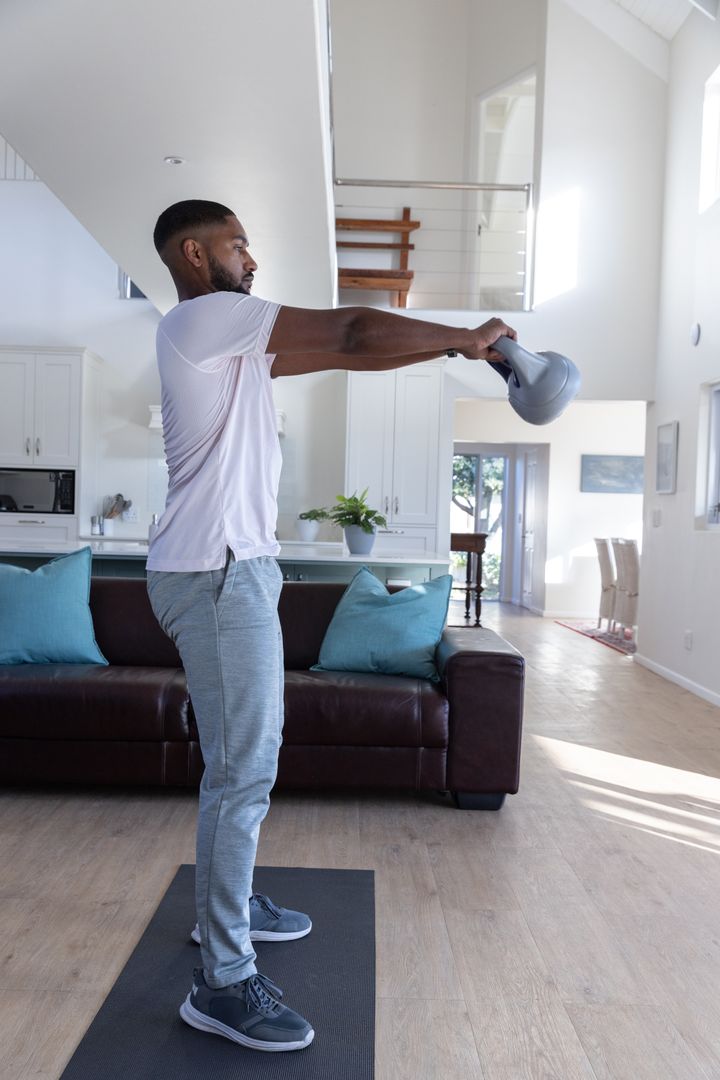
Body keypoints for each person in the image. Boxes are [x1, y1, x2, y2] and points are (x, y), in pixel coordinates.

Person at [146, 198, 516, 1052]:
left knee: (244, 766)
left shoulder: (226, 342)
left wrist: (449, 348)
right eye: (241, 243)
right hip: (214, 574)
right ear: (195, 254)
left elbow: (347, 356)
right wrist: (462, 334)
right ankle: (223, 980)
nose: (253, 257)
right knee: (243, 772)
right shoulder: (205, 319)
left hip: (231, 570)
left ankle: (223, 909)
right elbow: (351, 330)